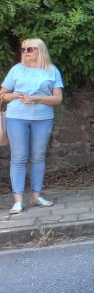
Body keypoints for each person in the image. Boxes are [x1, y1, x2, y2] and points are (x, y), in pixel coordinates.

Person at [0, 39, 63, 215]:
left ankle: (36, 196)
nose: (25, 52)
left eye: (30, 49)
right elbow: (2, 94)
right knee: (19, 158)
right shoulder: (16, 70)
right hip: (16, 118)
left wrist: (36, 98)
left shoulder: (52, 70)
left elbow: (58, 99)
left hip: (43, 118)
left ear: (40, 50)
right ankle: (18, 201)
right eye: (23, 49)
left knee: (38, 157)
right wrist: (15, 96)